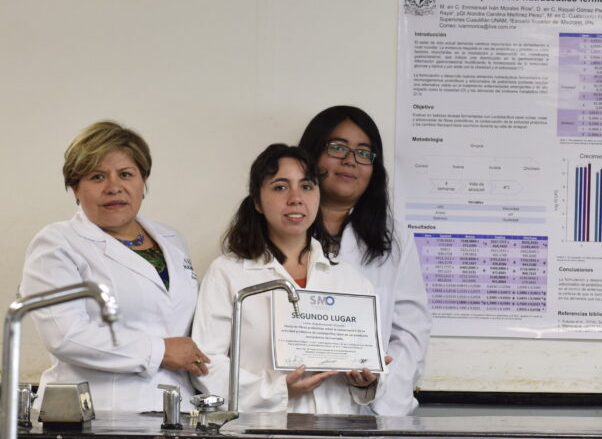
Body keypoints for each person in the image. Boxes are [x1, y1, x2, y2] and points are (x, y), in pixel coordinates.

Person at [21, 121, 209, 412]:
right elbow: (65, 335)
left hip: (177, 409)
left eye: (126, 174)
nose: (114, 187)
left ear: (143, 181)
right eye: (97, 177)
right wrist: (160, 351)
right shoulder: (57, 244)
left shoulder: (173, 240)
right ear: (75, 188)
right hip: (96, 413)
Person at [192, 144, 383, 413]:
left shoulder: (351, 281)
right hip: (259, 430)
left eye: (306, 186)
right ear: (257, 201)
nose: (296, 198)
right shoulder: (227, 273)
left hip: (335, 430)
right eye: (280, 187)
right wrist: (276, 390)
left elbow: (369, 365)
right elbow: (204, 364)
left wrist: (368, 379)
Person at [299, 106, 430, 416]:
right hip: (289, 406)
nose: (350, 161)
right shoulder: (279, 230)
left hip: (367, 415)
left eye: (363, 153)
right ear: (311, 155)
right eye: (338, 147)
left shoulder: (394, 240)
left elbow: (409, 334)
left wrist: (382, 397)